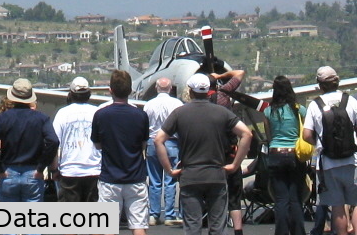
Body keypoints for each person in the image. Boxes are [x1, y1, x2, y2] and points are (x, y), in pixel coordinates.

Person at [156, 73, 251, 235]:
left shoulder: (180, 113)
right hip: (216, 175)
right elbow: (246, 134)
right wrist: (235, 165)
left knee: (193, 227)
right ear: (208, 92)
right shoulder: (222, 113)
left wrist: (169, 170)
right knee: (217, 227)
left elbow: (159, 140)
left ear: (190, 92)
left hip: (190, 176)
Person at [304, 66, 357, 235]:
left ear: (320, 85)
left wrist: (320, 143)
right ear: (337, 81)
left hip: (328, 162)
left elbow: (306, 135)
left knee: (337, 205)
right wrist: (351, 134)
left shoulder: (315, 105)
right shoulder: (350, 100)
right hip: (351, 159)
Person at [94, 69, 152, 235]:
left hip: (110, 177)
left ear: (110, 90)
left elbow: (97, 145)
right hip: (135, 176)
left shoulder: (100, 115)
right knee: (138, 225)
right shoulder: (141, 115)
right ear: (130, 90)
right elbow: (143, 144)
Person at [0, 79, 58, 203]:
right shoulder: (42, 118)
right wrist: (41, 168)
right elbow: (53, 141)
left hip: (9, 172)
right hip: (33, 172)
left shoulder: (2, 118)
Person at [264, 75, 309, 235]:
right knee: (295, 198)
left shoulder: (269, 111)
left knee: (281, 199)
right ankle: (298, 231)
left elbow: (269, 137)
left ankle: (281, 231)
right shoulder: (298, 109)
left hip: (276, 154)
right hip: (294, 154)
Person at [54, 76, 103, 201]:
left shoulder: (62, 113)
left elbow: (54, 142)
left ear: (71, 94)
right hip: (94, 170)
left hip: (69, 171)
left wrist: (54, 169)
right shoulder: (97, 112)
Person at [146, 76, 183, 226]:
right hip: (172, 142)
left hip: (153, 142)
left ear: (156, 88)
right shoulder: (177, 104)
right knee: (170, 179)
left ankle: (154, 214)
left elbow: (145, 124)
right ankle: (169, 214)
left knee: (154, 180)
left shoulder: (149, 104)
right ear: (170, 88)